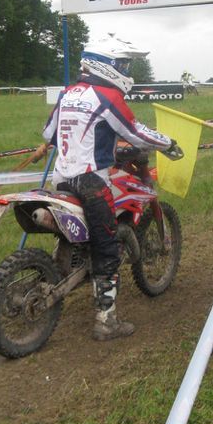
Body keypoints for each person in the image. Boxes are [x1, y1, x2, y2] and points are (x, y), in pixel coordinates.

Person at [41, 35, 182, 342]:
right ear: (106, 65)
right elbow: (135, 132)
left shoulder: (68, 93)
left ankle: (66, 266)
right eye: (123, 64)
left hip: (61, 179)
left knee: (82, 237)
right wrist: (169, 144)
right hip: (91, 181)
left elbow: (49, 133)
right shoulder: (107, 96)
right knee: (106, 248)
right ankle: (106, 321)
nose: (126, 70)